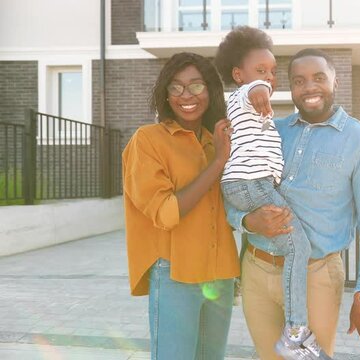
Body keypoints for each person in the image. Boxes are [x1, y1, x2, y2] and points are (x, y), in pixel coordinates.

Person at [223, 48, 360, 359]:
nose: (309, 87)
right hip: (258, 270)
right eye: (299, 81)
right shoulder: (271, 129)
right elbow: (238, 182)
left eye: (318, 78)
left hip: (316, 276)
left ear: (335, 82)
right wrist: (246, 221)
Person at [214, 26, 329, 359]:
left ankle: (293, 329)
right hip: (250, 184)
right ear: (239, 75)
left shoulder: (254, 111)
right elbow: (256, 91)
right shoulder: (247, 95)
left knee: (293, 246)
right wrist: (260, 88)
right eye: (260, 70)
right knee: (299, 246)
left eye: (273, 72)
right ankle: (295, 333)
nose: (269, 77)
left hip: (252, 184)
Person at [122, 52, 239, 360]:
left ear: (210, 90)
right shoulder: (148, 140)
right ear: (166, 94)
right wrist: (218, 163)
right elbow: (166, 212)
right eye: (176, 87)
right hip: (175, 272)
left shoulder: (216, 140)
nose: (186, 95)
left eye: (196, 85)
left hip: (221, 273)